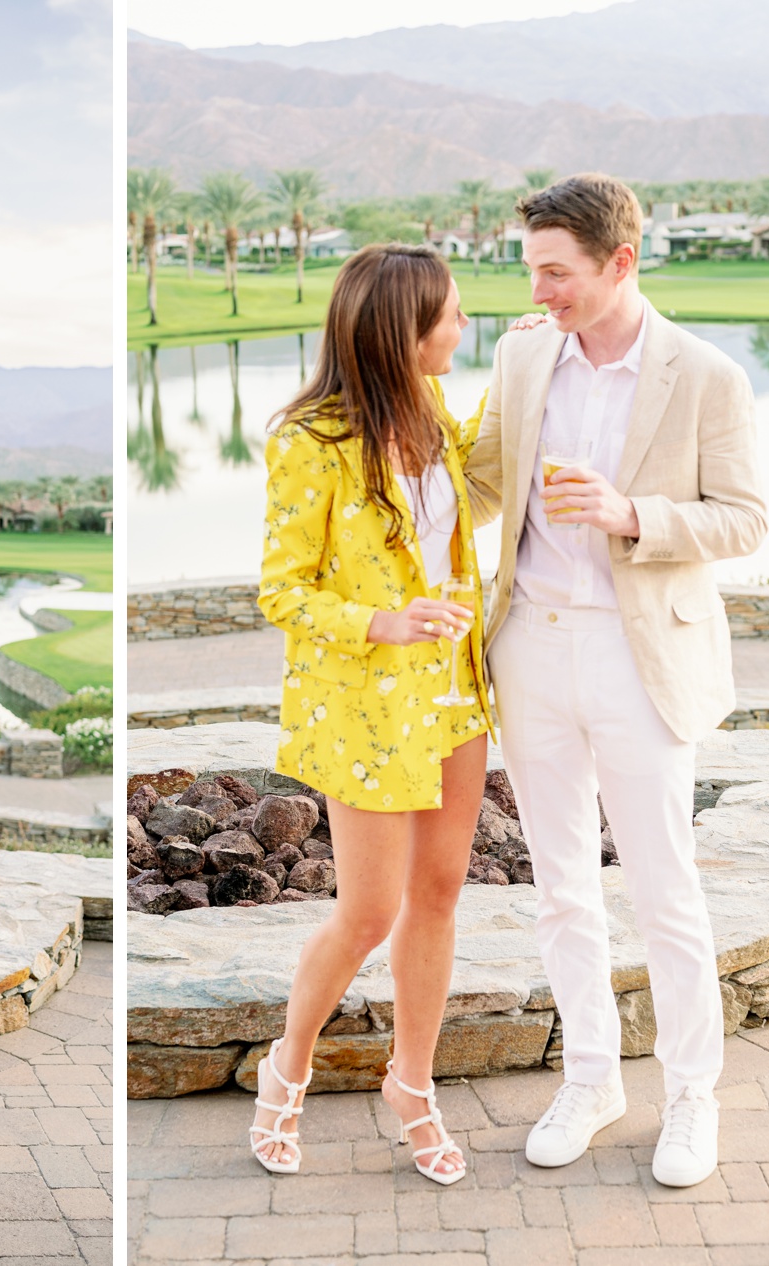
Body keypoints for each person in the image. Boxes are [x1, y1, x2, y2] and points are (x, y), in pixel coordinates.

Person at [463, 172, 766, 1188]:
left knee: (662, 887)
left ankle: (690, 1098)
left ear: (619, 263)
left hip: (641, 658)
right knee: (557, 887)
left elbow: (744, 517)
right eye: (530, 271)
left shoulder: (704, 375)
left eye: (556, 272)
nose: (538, 290)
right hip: (530, 649)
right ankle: (590, 1078)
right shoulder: (519, 355)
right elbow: (475, 478)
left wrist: (634, 513)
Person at [249, 243, 493, 1183]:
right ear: (403, 327)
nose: (462, 329)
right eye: (453, 315)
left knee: (437, 900)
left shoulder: (430, 414)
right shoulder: (308, 441)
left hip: (456, 698)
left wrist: (527, 362)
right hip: (366, 708)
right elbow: (282, 591)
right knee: (368, 913)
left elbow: (486, 476)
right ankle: (286, 1073)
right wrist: (383, 621)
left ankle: (413, 1087)